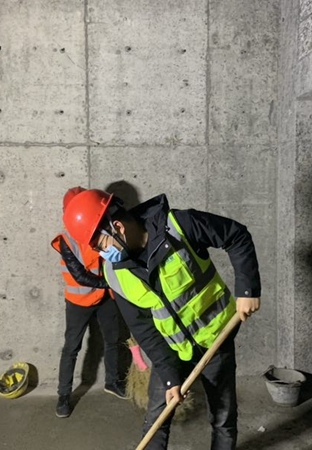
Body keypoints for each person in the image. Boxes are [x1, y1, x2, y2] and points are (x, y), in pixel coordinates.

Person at [63, 189, 261, 449]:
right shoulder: (115, 274)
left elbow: (236, 236)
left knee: (223, 417)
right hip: (171, 349)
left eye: (101, 245)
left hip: (216, 340)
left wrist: (247, 290)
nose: (102, 255)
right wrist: (169, 376)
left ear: (117, 227)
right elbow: (143, 328)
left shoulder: (179, 227)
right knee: (156, 420)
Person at [51, 187, 127, 419]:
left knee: (113, 340)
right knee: (71, 348)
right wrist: (111, 283)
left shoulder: (102, 228)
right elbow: (80, 276)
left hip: (104, 298)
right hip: (79, 302)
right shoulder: (66, 241)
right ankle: (64, 396)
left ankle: (112, 382)